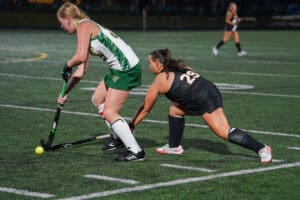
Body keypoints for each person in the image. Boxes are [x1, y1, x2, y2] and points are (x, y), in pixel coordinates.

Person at [129, 49, 272, 164]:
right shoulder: (179, 66)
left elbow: (145, 109)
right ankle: (174, 146)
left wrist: (132, 126)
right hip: (208, 90)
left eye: (150, 62)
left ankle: (262, 148)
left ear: (157, 63)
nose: (149, 66)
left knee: (223, 131)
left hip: (205, 100)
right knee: (175, 110)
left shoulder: (161, 80)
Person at [56, 2, 145, 162]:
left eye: (61, 23)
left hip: (127, 69)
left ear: (68, 19)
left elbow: (80, 57)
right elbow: (81, 70)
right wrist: (65, 93)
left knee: (110, 112)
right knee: (97, 98)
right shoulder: (84, 31)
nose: (61, 27)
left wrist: (67, 64)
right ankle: (118, 138)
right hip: (118, 69)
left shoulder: (85, 26)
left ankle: (136, 151)